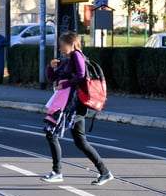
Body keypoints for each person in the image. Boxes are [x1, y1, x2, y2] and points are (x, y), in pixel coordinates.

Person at [40, 32, 114, 186]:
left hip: (74, 105)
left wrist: (65, 84)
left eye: (62, 45)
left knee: (51, 132)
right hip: (69, 105)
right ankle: (105, 172)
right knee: (80, 142)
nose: (60, 49)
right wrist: (50, 67)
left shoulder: (76, 56)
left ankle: (57, 171)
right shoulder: (66, 61)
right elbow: (51, 78)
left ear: (71, 44)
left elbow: (81, 75)